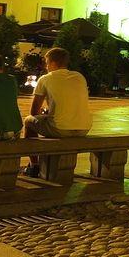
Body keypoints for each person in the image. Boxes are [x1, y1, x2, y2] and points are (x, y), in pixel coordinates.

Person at [21, 47, 91, 177]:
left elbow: (33, 111)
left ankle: (34, 165)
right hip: (84, 128)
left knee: (28, 121)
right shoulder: (79, 76)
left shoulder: (45, 78)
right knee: (50, 119)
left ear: (53, 63)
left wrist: (44, 113)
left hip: (61, 128)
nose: (46, 67)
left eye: (47, 63)